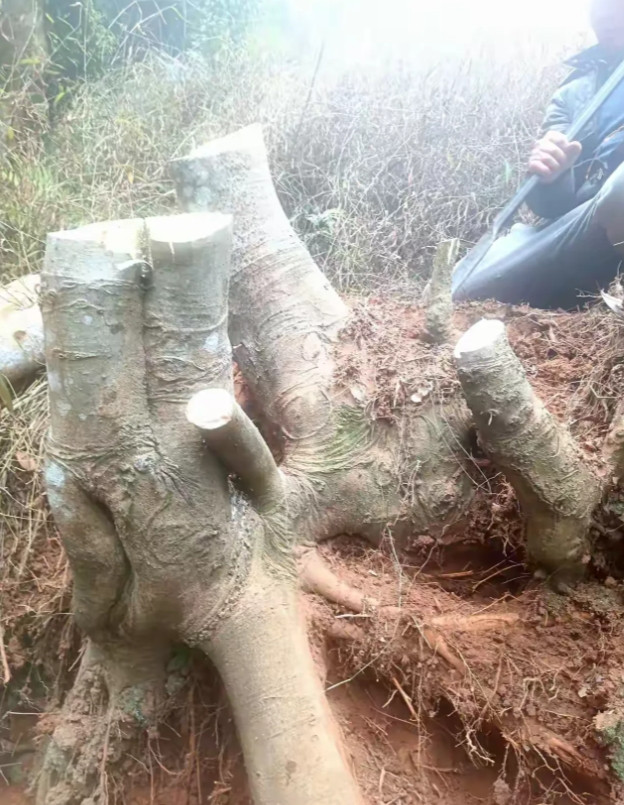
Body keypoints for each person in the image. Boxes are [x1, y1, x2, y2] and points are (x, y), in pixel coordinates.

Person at [452, 0, 624, 309]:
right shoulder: (573, 92)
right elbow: (551, 205)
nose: (604, 13)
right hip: (587, 219)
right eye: (597, 5)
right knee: (466, 287)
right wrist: (551, 175)